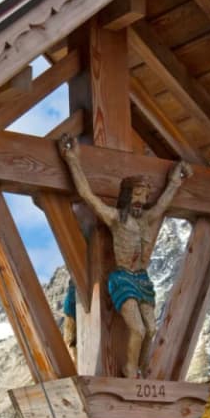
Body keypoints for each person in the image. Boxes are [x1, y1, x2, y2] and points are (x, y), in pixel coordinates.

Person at [57, 136, 191, 377]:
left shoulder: (146, 220)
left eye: (144, 196)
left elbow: (162, 204)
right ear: (127, 195)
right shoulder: (115, 219)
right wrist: (72, 160)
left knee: (151, 330)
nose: (140, 200)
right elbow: (87, 195)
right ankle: (129, 369)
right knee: (138, 329)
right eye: (137, 195)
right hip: (123, 278)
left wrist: (174, 182)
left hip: (142, 279)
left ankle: (141, 369)